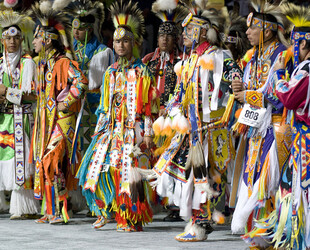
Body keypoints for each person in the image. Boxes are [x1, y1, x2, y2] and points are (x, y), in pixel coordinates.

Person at [150, 0, 242, 242]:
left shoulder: (218, 56)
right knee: (183, 173)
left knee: (205, 178)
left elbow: (236, 78)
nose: (184, 35)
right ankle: (195, 222)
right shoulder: (188, 61)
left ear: (203, 31)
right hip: (192, 128)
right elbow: (180, 93)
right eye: (184, 30)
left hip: (211, 129)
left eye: (189, 30)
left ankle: (201, 225)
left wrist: (235, 91)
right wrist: (168, 112)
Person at [76, 0, 158, 232]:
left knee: (130, 172)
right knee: (98, 166)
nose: (120, 45)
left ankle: (131, 216)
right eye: (117, 41)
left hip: (134, 130)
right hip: (111, 128)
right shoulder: (111, 72)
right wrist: (100, 130)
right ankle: (105, 209)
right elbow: (105, 105)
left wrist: (149, 133)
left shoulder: (142, 71)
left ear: (134, 43)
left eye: (125, 41)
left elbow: (150, 106)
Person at [246, 3, 310, 249]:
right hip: (296, 141)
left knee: (296, 191)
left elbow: (287, 97)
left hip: (300, 140)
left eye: (296, 43)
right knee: (288, 188)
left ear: (303, 43)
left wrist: (278, 75)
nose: (293, 47)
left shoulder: (305, 70)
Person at [230, 0, 293, 247]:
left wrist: (250, 95)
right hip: (255, 129)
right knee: (251, 175)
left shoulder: (283, 55)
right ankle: (256, 232)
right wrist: (240, 89)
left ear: (267, 30)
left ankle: (269, 233)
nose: (247, 32)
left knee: (269, 180)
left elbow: (280, 94)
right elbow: (248, 89)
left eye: (251, 28)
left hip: (276, 127)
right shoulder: (251, 56)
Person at [30, 0, 88, 224]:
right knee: (46, 163)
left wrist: (66, 102)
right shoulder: (41, 65)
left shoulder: (64, 62)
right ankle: (50, 210)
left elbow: (81, 81)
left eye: (36, 38)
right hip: (45, 121)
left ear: (46, 40)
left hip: (62, 121)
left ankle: (59, 209)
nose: (33, 42)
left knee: (51, 160)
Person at [142, 0, 187, 223]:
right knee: (153, 159)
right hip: (152, 118)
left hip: (173, 118)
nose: (164, 39)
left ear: (176, 38)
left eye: (169, 36)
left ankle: (174, 205)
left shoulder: (183, 61)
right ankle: (155, 201)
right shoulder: (148, 61)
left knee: (171, 160)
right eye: (161, 35)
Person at [0, 9, 40, 219]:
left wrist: (6, 92)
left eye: (16, 38)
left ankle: (23, 206)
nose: (12, 42)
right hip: (2, 119)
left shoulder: (27, 63)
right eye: (8, 38)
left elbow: (33, 95)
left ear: (22, 39)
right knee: (3, 159)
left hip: (21, 120)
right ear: (2, 40)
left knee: (21, 161)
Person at [71, 0, 113, 154]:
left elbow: (108, 82)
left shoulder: (103, 52)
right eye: (75, 29)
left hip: (95, 106)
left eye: (81, 30)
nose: (76, 33)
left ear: (89, 30)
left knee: (92, 145)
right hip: (74, 104)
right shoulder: (70, 50)